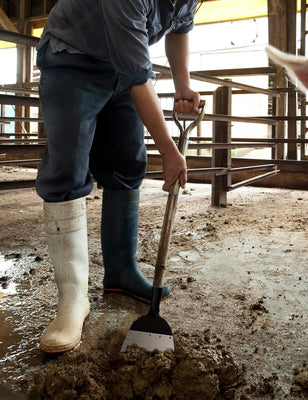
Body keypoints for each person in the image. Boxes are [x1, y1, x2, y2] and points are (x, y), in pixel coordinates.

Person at [35, 0, 202, 354]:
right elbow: (138, 75)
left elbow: (180, 27)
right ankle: (73, 300)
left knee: (127, 163)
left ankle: (122, 272)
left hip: (121, 65)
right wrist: (169, 150)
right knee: (67, 169)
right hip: (73, 59)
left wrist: (183, 84)